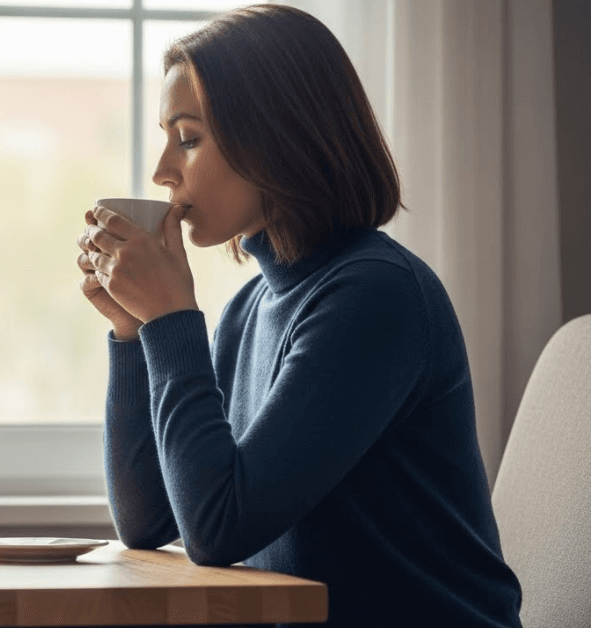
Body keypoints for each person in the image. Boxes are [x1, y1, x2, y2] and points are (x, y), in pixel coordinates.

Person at [75, 5, 523, 627]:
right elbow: (148, 521)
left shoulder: (375, 296)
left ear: (278, 137)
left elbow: (216, 529)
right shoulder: (249, 309)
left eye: (188, 138)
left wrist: (171, 319)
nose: (161, 171)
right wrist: (133, 331)